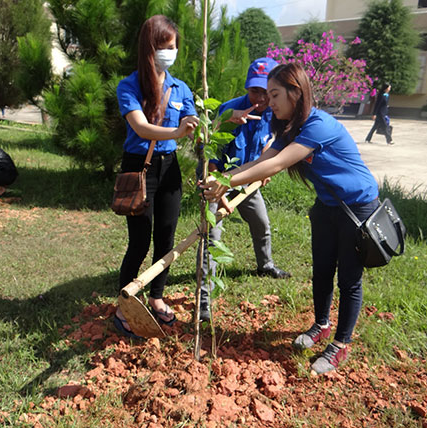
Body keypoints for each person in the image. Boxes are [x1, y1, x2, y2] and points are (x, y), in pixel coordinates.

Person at [202, 63, 379, 374]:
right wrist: (223, 179)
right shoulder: (291, 129)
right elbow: (263, 160)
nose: (269, 102)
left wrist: (227, 183)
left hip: (357, 206)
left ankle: (340, 344)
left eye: (275, 94)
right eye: (268, 95)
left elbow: (278, 164)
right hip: (327, 205)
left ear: (296, 93)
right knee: (322, 270)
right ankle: (322, 324)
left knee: (349, 279)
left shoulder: (318, 125)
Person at [114, 15, 199, 339]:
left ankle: (156, 296)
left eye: (173, 47)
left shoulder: (181, 88)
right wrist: (177, 131)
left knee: (166, 236)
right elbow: (140, 127)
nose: (169, 53)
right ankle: (123, 305)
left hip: (170, 167)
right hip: (139, 166)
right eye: (163, 47)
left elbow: (193, 119)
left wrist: (209, 124)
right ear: (149, 49)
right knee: (139, 240)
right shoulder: (130, 86)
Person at [198, 57, 291, 322]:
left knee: (261, 223)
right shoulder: (228, 112)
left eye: (266, 91)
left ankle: (266, 265)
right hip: (218, 180)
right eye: (254, 90)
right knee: (211, 238)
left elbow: (272, 143)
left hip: (248, 180)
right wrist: (219, 196)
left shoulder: (275, 112)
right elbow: (211, 162)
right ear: (246, 87)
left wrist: (265, 168)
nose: (260, 98)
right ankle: (205, 300)